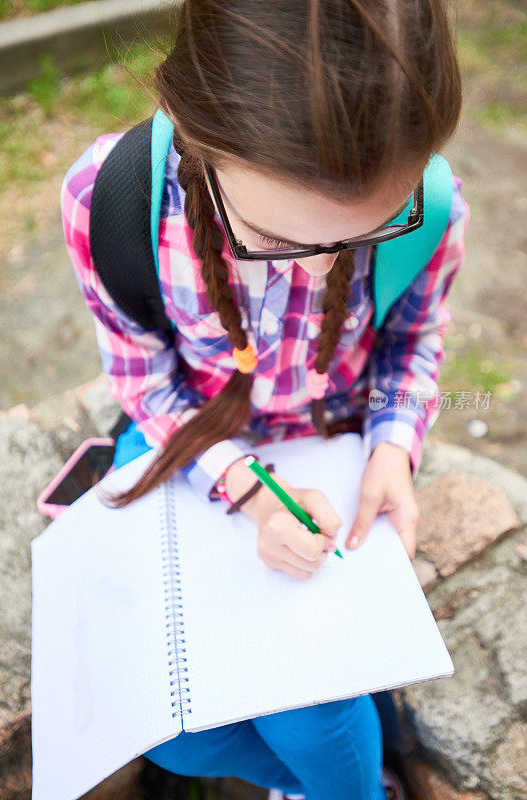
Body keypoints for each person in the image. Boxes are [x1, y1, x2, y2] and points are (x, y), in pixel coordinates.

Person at [60, 1, 470, 798]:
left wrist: (393, 445)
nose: (318, 274)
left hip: (335, 439)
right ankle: (337, 773)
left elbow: (413, 346)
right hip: (193, 440)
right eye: (278, 241)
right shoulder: (108, 202)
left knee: (310, 708)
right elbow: (145, 382)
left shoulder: (437, 207)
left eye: (369, 233)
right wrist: (249, 493)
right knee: (173, 733)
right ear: (196, 133)